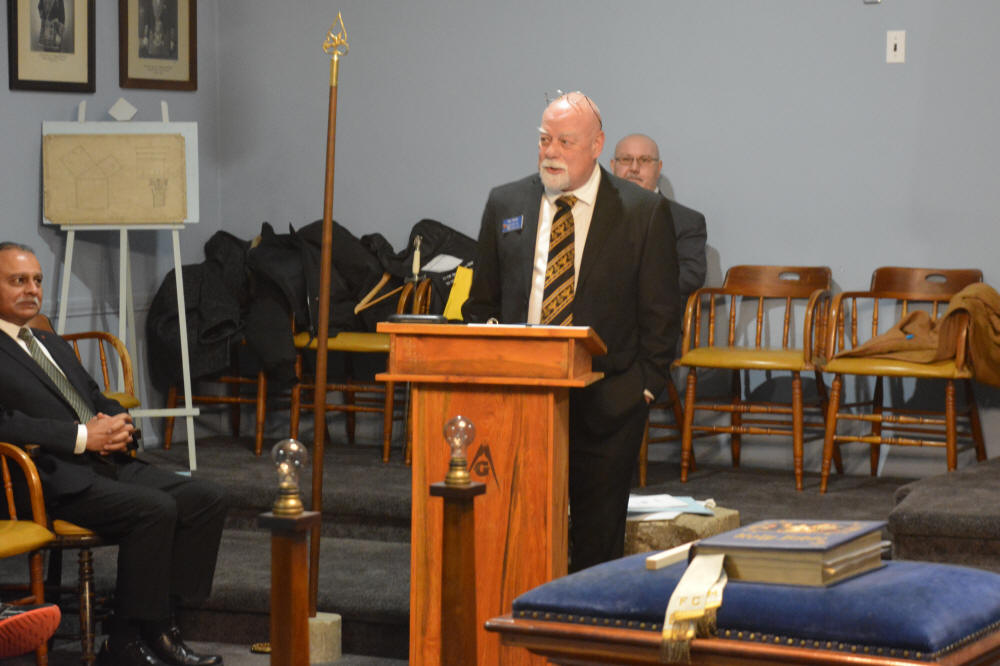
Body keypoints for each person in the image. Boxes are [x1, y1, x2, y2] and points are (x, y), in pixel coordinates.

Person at [463, 93, 680, 572]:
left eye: (565, 141)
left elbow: (661, 316)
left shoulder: (641, 212)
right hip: (520, 400)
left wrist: (643, 388)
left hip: (608, 401)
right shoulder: (506, 203)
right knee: (516, 540)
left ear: (597, 145)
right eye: (544, 140)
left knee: (595, 550)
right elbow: (482, 304)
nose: (551, 152)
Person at [0, 242, 226, 666]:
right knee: (155, 509)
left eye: (37, 281)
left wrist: (121, 425)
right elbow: (5, 423)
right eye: (18, 281)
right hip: (46, 477)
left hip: (104, 462)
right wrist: (82, 436)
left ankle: (162, 627)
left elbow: (93, 394)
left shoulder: (47, 340)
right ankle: (123, 640)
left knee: (205, 498)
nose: (32, 290)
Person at [610, 133, 707, 308]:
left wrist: (636, 287)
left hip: (655, 315)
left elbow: (690, 276)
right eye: (625, 160)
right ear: (612, 166)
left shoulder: (687, 221)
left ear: (658, 167)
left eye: (644, 160)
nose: (634, 168)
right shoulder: (591, 214)